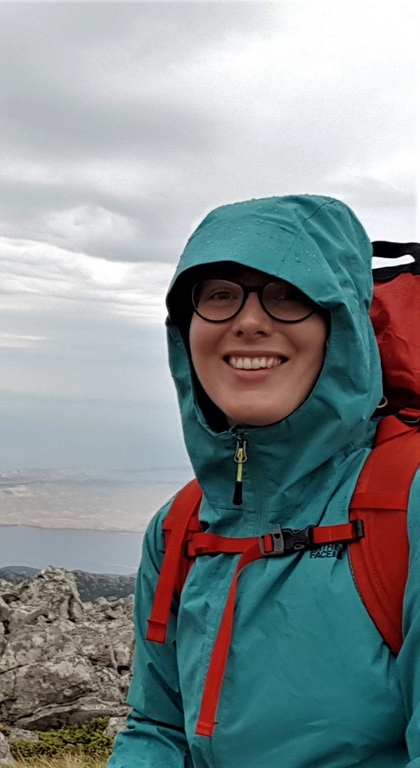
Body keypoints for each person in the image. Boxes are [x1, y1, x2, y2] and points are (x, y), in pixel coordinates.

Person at [108, 195, 417, 766]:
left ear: (342, 326)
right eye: (220, 295)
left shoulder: (409, 498)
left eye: (289, 295)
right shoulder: (180, 526)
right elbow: (157, 726)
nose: (249, 322)